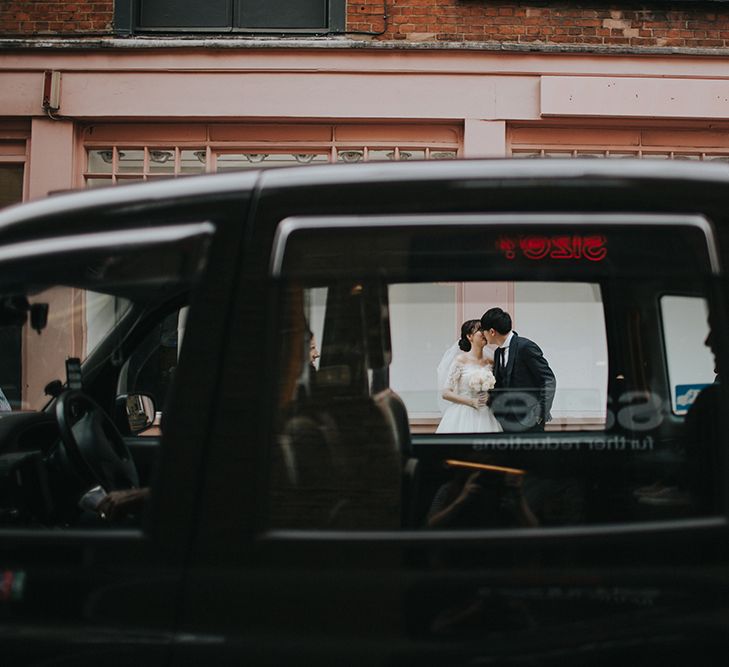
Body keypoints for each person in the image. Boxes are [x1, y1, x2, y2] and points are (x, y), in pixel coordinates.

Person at [480, 307, 555, 433]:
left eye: (484, 331)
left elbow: (548, 379)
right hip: (506, 420)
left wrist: (539, 413)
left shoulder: (525, 347)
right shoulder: (498, 352)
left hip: (530, 420)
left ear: (492, 332)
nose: (483, 335)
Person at [435, 319, 502, 433]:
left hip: (486, 413)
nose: (484, 333)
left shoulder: (491, 361)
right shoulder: (460, 361)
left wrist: (489, 397)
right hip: (463, 412)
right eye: (480, 330)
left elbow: (498, 388)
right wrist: (471, 402)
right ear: (470, 336)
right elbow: (446, 393)